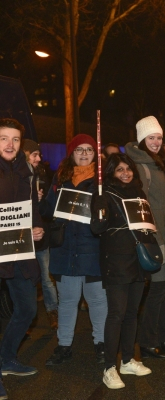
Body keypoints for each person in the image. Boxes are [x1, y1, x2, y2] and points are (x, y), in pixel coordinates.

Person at [42, 134, 107, 366]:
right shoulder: (60, 178)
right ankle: (64, 345)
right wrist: (42, 202)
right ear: (71, 153)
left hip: (93, 248)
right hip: (66, 248)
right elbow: (49, 210)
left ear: (95, 153)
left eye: (88, 149)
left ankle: (101, 344)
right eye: (79, 149)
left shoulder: (101, 180)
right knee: (67, 301)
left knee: (97, 299)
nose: (84, 153)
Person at [91, 154, 153, 389]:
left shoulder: (139, 193)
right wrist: (99, 208)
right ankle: (109, 367)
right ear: (110, 173)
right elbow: (97, 227)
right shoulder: (104, 194)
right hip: (116, 260)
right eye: (119, 170)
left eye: (128, 169)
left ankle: (127, 359)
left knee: (131, 313)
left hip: (138, 259)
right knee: (116, 313)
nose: (125, 173)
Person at [126, 116, 165, 358]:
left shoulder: (157, 162)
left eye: (159, 137)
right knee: (157, 291)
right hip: (156, 236)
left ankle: (162, 338)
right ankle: (147, 342)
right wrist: (156, 239)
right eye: (151, 138)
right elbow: (142, 207)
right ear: (142, 140)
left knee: (164, 289)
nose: (157, 142)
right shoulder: (141, 166)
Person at [0, 119, 45, 397]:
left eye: (15, 139)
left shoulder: (26, 170)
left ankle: (5, 357)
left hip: (17, 251)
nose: (9, 144)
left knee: (28, 308)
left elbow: (32, 208)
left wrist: (37, 228)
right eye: (3, 138)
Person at [21, 139, 58, 330]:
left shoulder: (43, 175)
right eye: (35, 154)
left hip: (40, 237)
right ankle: (25, 318)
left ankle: (53, 311)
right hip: (21, 238)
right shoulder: (15, 176)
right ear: (25, 154)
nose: (39, 158)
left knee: (46, 278)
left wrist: (41, 201)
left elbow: (48, 210)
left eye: (39, 154)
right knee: (25, 279)